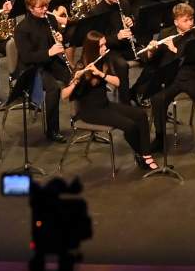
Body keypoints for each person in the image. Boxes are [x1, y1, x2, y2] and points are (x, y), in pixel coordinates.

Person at [65, 31, 156, 170]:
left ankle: (145, 154)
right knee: (129, 126)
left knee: (141, 115)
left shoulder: (103, 61)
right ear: (93, 48)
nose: (104, 48)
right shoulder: (81, 65)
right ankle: (142, 155)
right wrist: (76, 81)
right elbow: (64, 95)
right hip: (90, 111)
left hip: (104, 105)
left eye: (104, 44)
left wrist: (101, 74)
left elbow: (118, 82)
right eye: (101, 45)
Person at [142, 3, 195, 154]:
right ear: (176, 22)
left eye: (191, 19)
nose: (190, 23)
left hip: (192, 75)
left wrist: (174, 49)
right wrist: (151, 52)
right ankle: (160, 137)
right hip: (171, 77)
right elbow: (154, 60)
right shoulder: (165, 33)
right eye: (186, 20)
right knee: (157, 98)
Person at [13, 0, 74, 143]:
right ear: (30, 8)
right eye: (41, 7)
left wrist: (59, 37)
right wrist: (49, 52)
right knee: (53, 88)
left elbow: (53, 41)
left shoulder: (50, 19)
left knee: (75, 77)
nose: (45, 9)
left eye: (46, 6)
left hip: (50, 62)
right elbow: (27, 57)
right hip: (33, 67)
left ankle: (83, 117)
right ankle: (52, 130)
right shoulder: (22, 29)